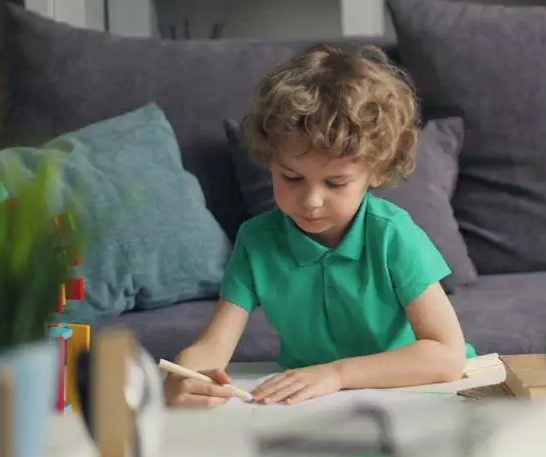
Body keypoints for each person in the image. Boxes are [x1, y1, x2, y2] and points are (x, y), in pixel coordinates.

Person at [165, 45, 471, 408]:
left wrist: (335, 374)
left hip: (412, 391)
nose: (310, 201)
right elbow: (213, 347)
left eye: (336, 183)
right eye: (292, 177)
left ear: (376, 172)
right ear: (270, 161)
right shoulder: (256, 241)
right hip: (310, 402)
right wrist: (183, 378)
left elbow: (447, 356)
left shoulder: (393, 235)